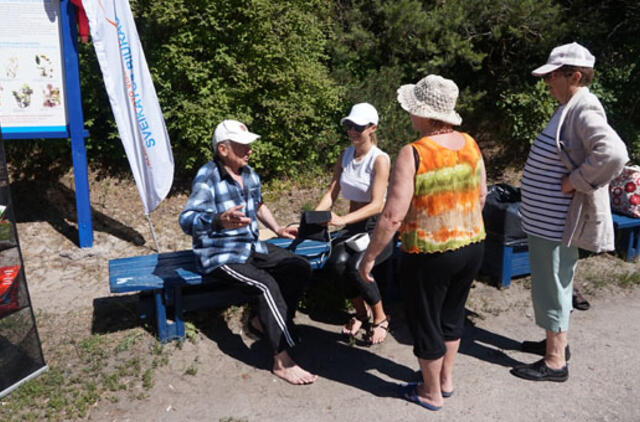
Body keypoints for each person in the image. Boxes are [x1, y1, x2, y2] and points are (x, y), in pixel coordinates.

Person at [359, 75, 487, 411]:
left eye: (412, 110)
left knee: (426, 320)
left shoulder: (413, 152)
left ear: (426, 114)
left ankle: (429, 393)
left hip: (430, 253)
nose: (409, 116)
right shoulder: (471, 143)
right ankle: (444, 381)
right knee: (451, 315)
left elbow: (391, 216)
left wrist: (369, 258)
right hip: (472, 244)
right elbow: (482, 195)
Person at [511, 42, 628, 382]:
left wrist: (575, 181)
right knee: (555, 283)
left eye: (552, 76)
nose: (546, 83)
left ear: (574, 75)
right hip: (547, 220)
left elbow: (614, 154)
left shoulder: (583, 109)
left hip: (556, 223)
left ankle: (554, 362)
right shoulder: (571, 105)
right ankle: (555, 341)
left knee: (553, 285)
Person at [179, 119, 318, 385]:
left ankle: (260, 322)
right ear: (223, 149)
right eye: (242, 146)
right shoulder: (207, 176)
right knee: (266, 286)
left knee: (299, 266)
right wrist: (218, 220)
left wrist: (277, 228)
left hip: (251, 246)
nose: (249, 150)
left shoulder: (249, 173)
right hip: (220, 253)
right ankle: (282, 360)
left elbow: (258, 204)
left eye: (249, 145)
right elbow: (186, 220)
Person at [315, 103, 392, 344]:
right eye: (349, 125)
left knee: (358, 267)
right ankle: (361, 312)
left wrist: (341, 220)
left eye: (358, 126)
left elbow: (377, 204)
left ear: (372, 128)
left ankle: (380, 317)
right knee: (336, 263)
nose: (352, 130)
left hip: (378, 226)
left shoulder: (380, 159)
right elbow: (332, 192)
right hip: (354, 226)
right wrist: (312, 219)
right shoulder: (346, 155)